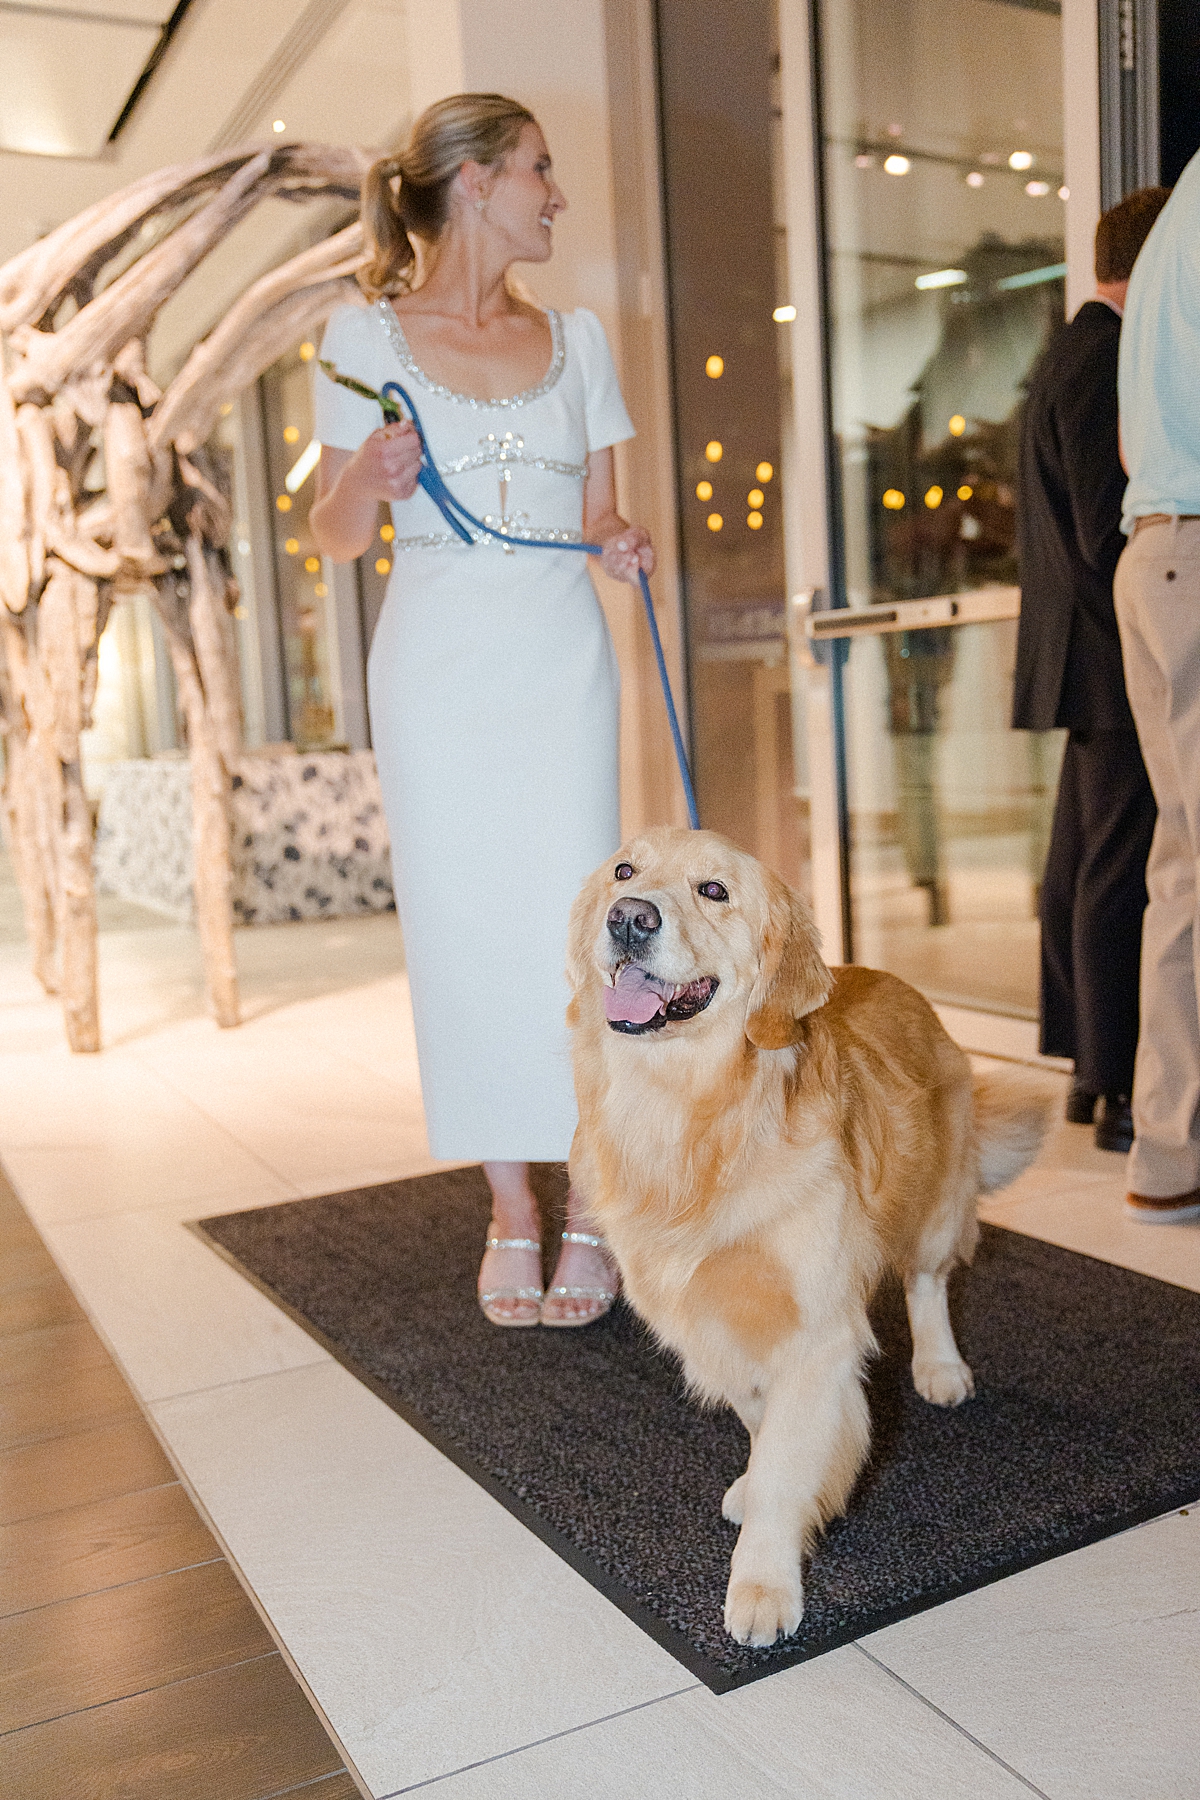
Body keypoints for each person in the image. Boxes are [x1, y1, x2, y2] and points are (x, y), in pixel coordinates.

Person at [310, 94, 653, 1317]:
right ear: (472, 184)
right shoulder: (362, 339)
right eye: (538, 171)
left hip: (559, 660)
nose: (556, 193)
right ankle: (513, 1205)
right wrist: (362, 475)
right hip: (438, 664)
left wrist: (617, 544)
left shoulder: (584, 340)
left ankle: (593, 1202)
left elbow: (597, 511)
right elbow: (337, 536)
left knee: (580, 927)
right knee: (463, 933)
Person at [1014, 187, 1169, 1153]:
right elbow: (1103, 528)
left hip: (1081, 658)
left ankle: (1085, 1069)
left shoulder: (1069, 349)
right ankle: (1114, 1085)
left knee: (1079, 867)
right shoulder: (1106, 353)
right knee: (1116, 873)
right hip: (1110, 657)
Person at [1113, 150, 1200, 1222]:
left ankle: (1171, 1151)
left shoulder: (1179, 204)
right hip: (1191, 547)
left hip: (1159, 547)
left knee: (1183, 869)